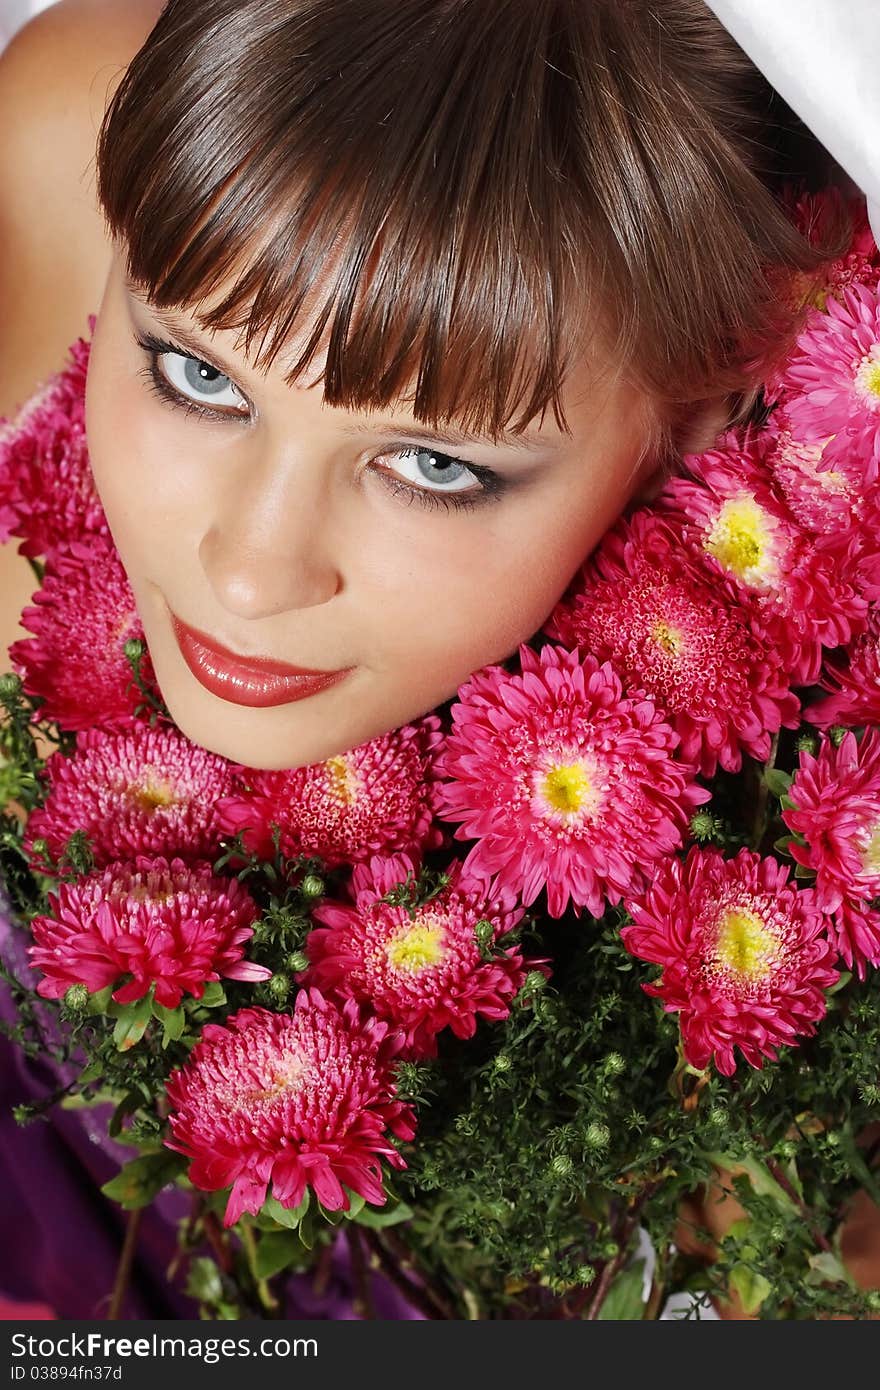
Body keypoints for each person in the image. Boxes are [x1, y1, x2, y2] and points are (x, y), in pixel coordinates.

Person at [0, 0, 875, 1317]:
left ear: (713, 405)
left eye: (434, 464)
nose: (247, 571)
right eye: (194, 375)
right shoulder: (80, 129)